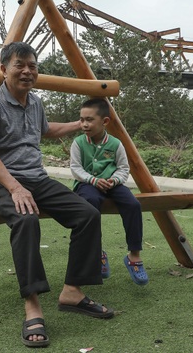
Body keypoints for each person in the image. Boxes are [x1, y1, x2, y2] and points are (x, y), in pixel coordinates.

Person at [0, 42, 114, 348]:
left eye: (32, 66)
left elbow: (46, 130)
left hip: (36, 179)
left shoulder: (34, 102)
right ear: (3, 70)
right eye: (19, 65)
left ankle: (72, 292)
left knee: (87, 214)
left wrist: (80, 124)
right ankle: (32, 304)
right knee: (27, 220)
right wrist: (15, 186)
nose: (27, 71)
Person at [70, 98, 149, 286]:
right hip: (87, 183)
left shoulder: (115, 144)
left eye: (89, 120)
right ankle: (97, 252)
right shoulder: (78, 143)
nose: (84, 124)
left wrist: (115, 180)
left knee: (132, 205)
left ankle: (134, 256)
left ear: (104, 122)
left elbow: (123, 168)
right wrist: (93, 180)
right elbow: (75, 168)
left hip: (112, 184)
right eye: (82, 120)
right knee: (90, 205)